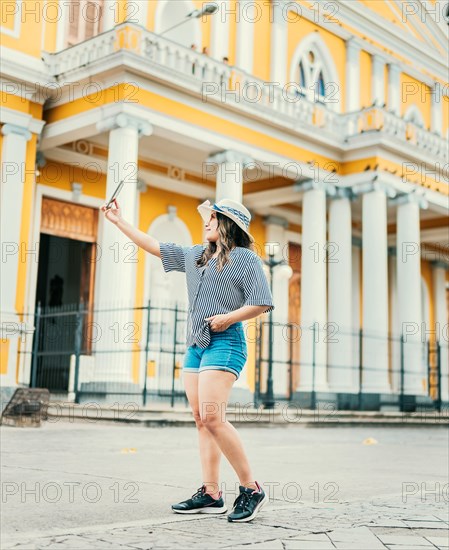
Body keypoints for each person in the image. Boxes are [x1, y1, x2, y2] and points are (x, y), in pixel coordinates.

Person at [101, 197, 274, 523]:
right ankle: (211, 493)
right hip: (196, 345)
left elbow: (262, 302)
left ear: (228, 224)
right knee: (201, 419)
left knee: (213, 417)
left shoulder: (246, 260)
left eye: (213, 218)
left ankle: (252, 489)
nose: (206, 222)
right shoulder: (196, 256)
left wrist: (228, 318)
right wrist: (118, 221)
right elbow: (154, 245)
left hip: (226, 342)